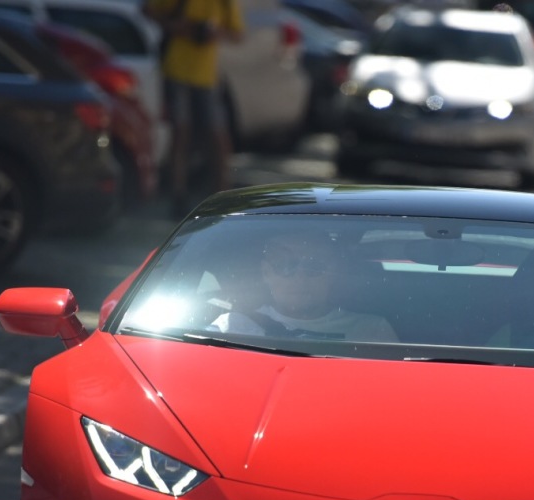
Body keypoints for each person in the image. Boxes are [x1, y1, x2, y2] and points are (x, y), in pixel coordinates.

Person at [144, 0, 245, 216]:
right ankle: (178, 196)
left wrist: (214, 32)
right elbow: (148, 10)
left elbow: (237, 33)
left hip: (206, 76)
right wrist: (175, 26)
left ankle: (221, 196)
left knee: (218, 137)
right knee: (181, 134)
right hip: (176, 69)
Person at [209, 231, 399, 342]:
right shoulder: (232, 327)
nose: (300, 277)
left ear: (333, 274)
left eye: (314, 266)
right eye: (285, 266)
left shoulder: (371, 330)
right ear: (266, 273)